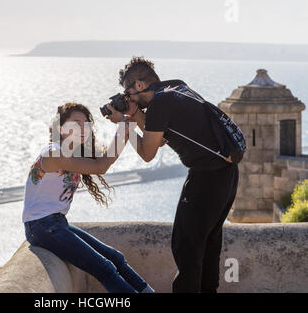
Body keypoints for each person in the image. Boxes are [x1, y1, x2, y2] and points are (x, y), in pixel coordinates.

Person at [105, 56, 239, 293]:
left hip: (206, 179)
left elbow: (148, 153)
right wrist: (135, 116)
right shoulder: (176, 87)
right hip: (226, 175)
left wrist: (124, 126)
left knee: (186, 248)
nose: (128, 99)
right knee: (208, 244)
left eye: (128, 93)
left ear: (138, 85)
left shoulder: (159, 104)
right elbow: (163, 137)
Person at [22, 102, 154, 293]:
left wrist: (128, 123)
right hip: (41, 226)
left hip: (55, 223)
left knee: (115, 258)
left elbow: (107, 156)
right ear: (61, 127)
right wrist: (124, 128)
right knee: (104, 268)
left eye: (86, 123)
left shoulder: (74, 151)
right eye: (76, 123)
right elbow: (101, 166)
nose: (83, 128)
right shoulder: (53, 152)